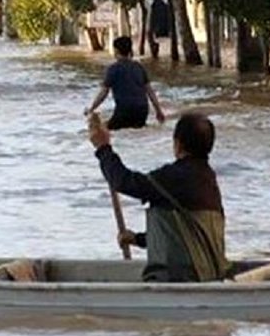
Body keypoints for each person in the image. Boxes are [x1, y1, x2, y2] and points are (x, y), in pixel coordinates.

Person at [90, 110, 230, 283]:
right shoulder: (208, 180)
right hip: (209, 274)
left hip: (180, 277)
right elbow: (183, 235)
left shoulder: (174, 177)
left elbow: (122, 181)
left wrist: (103, 148)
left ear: (178, 144)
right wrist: (137, 239)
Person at [85, 35, 166, 130]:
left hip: (124, 111)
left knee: (100, 130)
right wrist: (159, 111)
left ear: (116, 51)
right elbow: (150, 92)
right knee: (136, 130)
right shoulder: (139, 67)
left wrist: (91, 109)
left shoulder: (113, 69)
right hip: (142, 111)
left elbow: (103, 93)